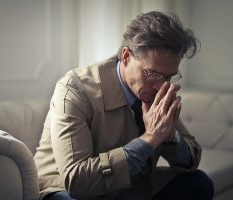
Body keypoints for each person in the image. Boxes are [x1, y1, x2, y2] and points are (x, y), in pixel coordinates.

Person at [34, 11, 214, 200]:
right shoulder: (74, 88)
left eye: (169, 76)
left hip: (129, 187)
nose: (161, 85)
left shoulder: (156, 91)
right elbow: (77, 181)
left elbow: (192, 159)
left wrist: (169, 136)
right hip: (65, 190)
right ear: (126, 56)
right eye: (152, 74)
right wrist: (150, 138)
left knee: (198, 183)